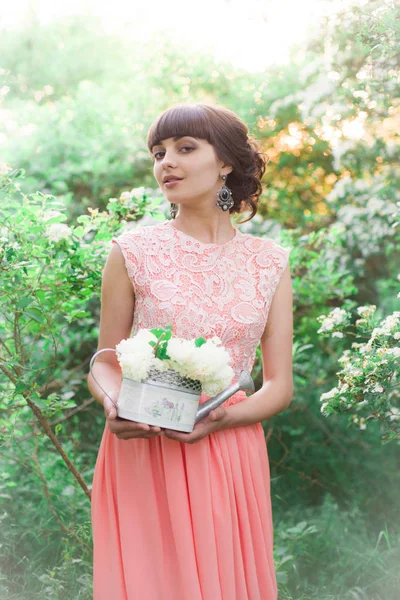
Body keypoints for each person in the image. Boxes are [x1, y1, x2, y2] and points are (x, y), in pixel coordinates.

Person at [87, 102, 293, 600]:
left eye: (184, 148)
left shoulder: (270, 262)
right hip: (146, 442)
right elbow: (105, 364)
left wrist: (222, 420)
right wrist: (114, 408)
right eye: (158, 153)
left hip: (228, 444)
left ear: (225, 161)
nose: (167, 163)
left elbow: (279, 385)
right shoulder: (132, 251)